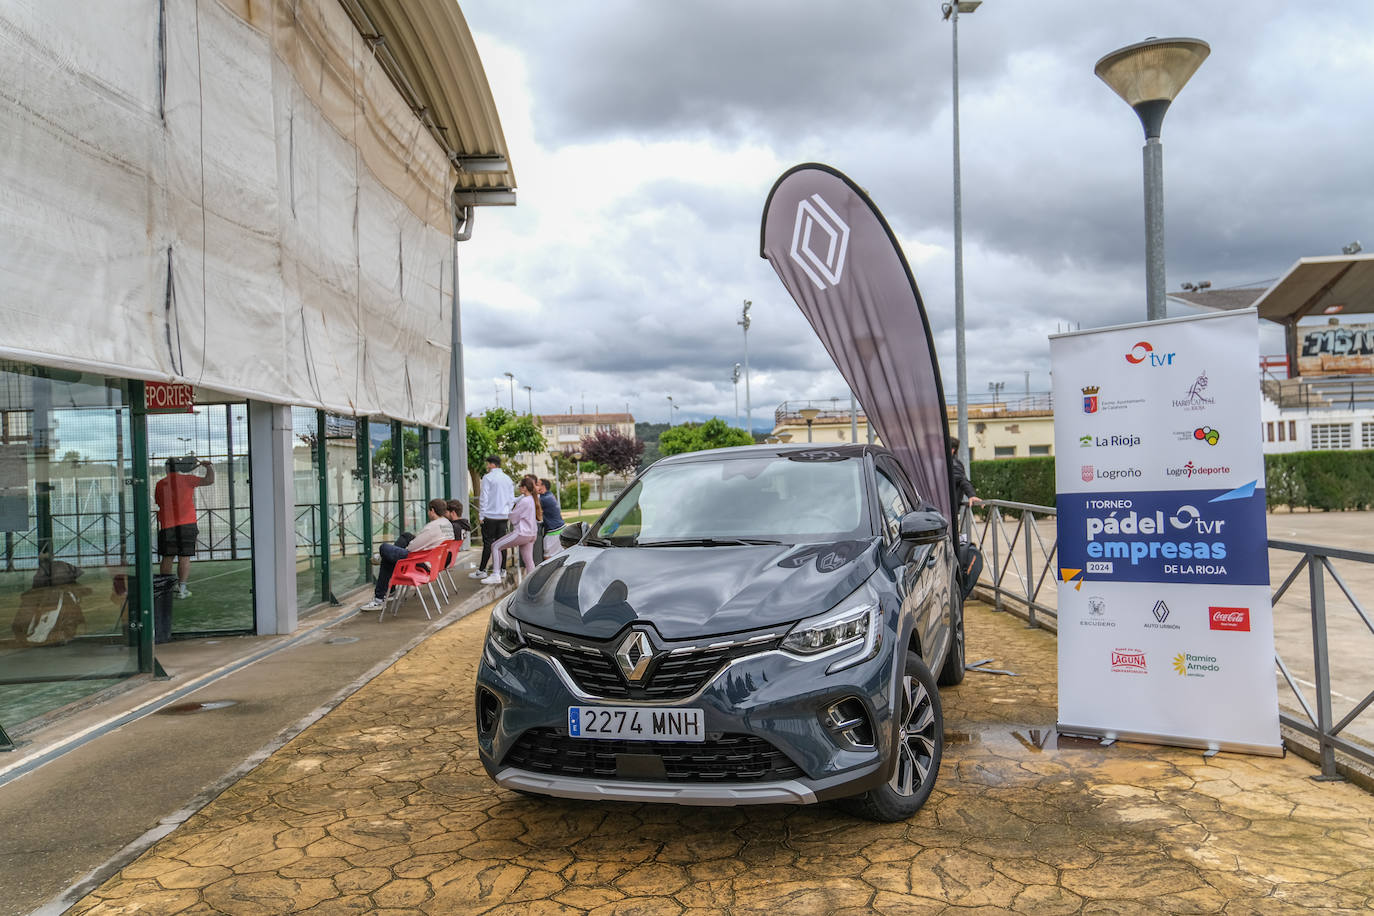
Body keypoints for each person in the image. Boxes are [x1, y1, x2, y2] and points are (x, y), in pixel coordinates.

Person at [361, 497, 453, 612]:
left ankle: (379, 599)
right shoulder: (447, 524)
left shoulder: (432, 526)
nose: (428, 513)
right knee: (406, 536)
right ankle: (388, 586)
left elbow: (412, 548)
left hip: (420, 562)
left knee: (384, 549)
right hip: (436, 561)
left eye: (429, 511)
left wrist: (408, 546)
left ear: (432, 511)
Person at [154, 457, 214, 599]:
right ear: (180, 467)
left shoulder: (160, 484)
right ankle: (182, 589)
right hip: (187, 524)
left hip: (167, 525)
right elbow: (209, 480)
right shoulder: (188, 479)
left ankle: (166, 589)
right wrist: (208, 466)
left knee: (167, 557)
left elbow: (158, 502)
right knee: (184, 558)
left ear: (166, 468)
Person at [482, 476, 538, 584]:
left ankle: (496, 574)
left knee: (495, 546)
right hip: (531, 533)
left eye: (521, 486)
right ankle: (533, 581)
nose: (519, 488)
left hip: (522, 532)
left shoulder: (524, 501)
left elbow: (513, 515)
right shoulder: (531, 499)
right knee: (528, 559)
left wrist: (510, 514)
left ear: (525, 488)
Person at [471, 455, 514, 579]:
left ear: (492, 464)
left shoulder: (488, 477)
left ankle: (482, 570)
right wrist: (508, 512)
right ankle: (502, 569)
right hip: (504, 516)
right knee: (502, 543)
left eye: (488, 464)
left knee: (488, 543)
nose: (487, 466)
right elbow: (511, 499)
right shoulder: (507, 478)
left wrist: (481, 514)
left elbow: (484, 497)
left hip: (490, 515)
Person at [535, 478, 565, 560]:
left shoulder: (545, 499)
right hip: (558, 528)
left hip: (554, 531)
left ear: (543, 487)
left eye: (537, 484)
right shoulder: (548, 495)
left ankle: (549, 573)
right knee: (556, 556)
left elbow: (533, 501)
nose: (535, 486)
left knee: (548, 557)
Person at [949, 437, 980, 508]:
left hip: (947, 509)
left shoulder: (954, 464)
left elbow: (962, 480)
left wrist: (971, 495)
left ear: (952, 450)